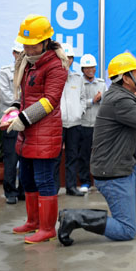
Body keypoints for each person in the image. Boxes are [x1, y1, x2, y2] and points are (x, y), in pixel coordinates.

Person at [57, 52, 136, 246]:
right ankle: (74, 217)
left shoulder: (123, 96)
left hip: (124, 166)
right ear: (126, 78)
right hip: (113, 173)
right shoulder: (120, 100)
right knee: (125, 231)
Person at [2, 14, 68, 244]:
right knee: (27, 179)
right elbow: (26, 96)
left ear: (45, 42)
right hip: (28, 132)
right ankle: (33, 221)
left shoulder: (56, 65)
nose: (28, 49)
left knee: (44, 180)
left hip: (45, 133)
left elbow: (50, 101)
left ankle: (47, 228)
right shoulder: (29, 63)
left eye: (33, 45)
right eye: (25, 45)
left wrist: (23, 118)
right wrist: (14, 109)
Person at [53, 43, 85, 197]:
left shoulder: (78, 78)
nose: (68, 60)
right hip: (57, 124)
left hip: (74, 124)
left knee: (72, 157)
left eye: (71, 57)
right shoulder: (53, 77)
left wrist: (80, 111)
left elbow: (83, 98)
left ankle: (71, 187)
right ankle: (53, 188)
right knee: (55, 157)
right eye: (65, 57)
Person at [0, 42, 25, 204]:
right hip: (10, 122)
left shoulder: (31, 71)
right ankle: (10, 192)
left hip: (26, 120)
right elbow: (6, 96)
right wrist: (24, 102)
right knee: (11, 158)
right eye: (19, 53)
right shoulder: (5, 72)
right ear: (14, 53)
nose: (21, 56)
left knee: (25, 158)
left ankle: (23, 190)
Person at [79, 53, 106, 194]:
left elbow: (107, 102)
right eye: (87, 68)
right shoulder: (79, 83)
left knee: (100, 155)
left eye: (92, 68)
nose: (90, 70)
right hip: (83, 124)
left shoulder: (101, 83)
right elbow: (78, 102)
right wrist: (92, 101)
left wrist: (101, 99)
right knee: (84, 155)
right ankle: (85, 182)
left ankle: (100, 182)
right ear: (83, 70)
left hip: (98, 125)